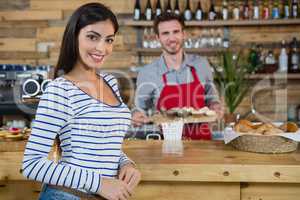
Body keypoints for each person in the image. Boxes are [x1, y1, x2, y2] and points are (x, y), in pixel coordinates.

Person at [22, 3, 141, 200]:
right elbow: (32, 165)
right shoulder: (60, 89)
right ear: (74, 36)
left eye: (109, 40)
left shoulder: (110, 82)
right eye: (92, 37)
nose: (102, 48)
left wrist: (126, 163)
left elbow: (103, 143)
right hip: (66, 195)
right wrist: (100, 183)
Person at [132, 12, 223, 140]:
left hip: (202, 144)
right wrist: (136, 115)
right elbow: (138, 108)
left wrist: (216, 107)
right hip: (165, 145)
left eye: (176, 31)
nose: (172, 38)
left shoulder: (202, 65)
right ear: (157, 38)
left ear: (183, 34)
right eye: (165, 33)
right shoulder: (148, 72)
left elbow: (212, 99)